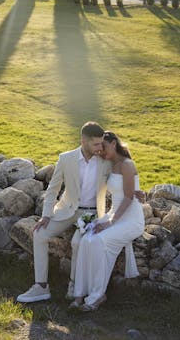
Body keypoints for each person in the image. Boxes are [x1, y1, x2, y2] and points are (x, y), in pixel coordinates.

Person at [17, 121, 112, 303]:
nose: (100, 147)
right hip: (66, 210)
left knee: (78, 243)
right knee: (39, 233)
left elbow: (119, 184)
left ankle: (74, 284)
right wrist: (46, 215)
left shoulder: (105, 161)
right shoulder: (66, 158)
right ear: (83, 141)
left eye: (101, 143)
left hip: (92, 213)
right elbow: (53, 189)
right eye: (96, 144)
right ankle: (41, 286)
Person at [70, 131, 145, 311]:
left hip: (130, 219)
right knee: (86, 239)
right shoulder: (110, 164)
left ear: (113, 143)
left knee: (99, 241)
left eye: (102, 147)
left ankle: (97, 296)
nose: (100, 151)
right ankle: (80, 293)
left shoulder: (127, 164)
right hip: (115, 214)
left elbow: (128, 198)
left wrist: (110, 222)